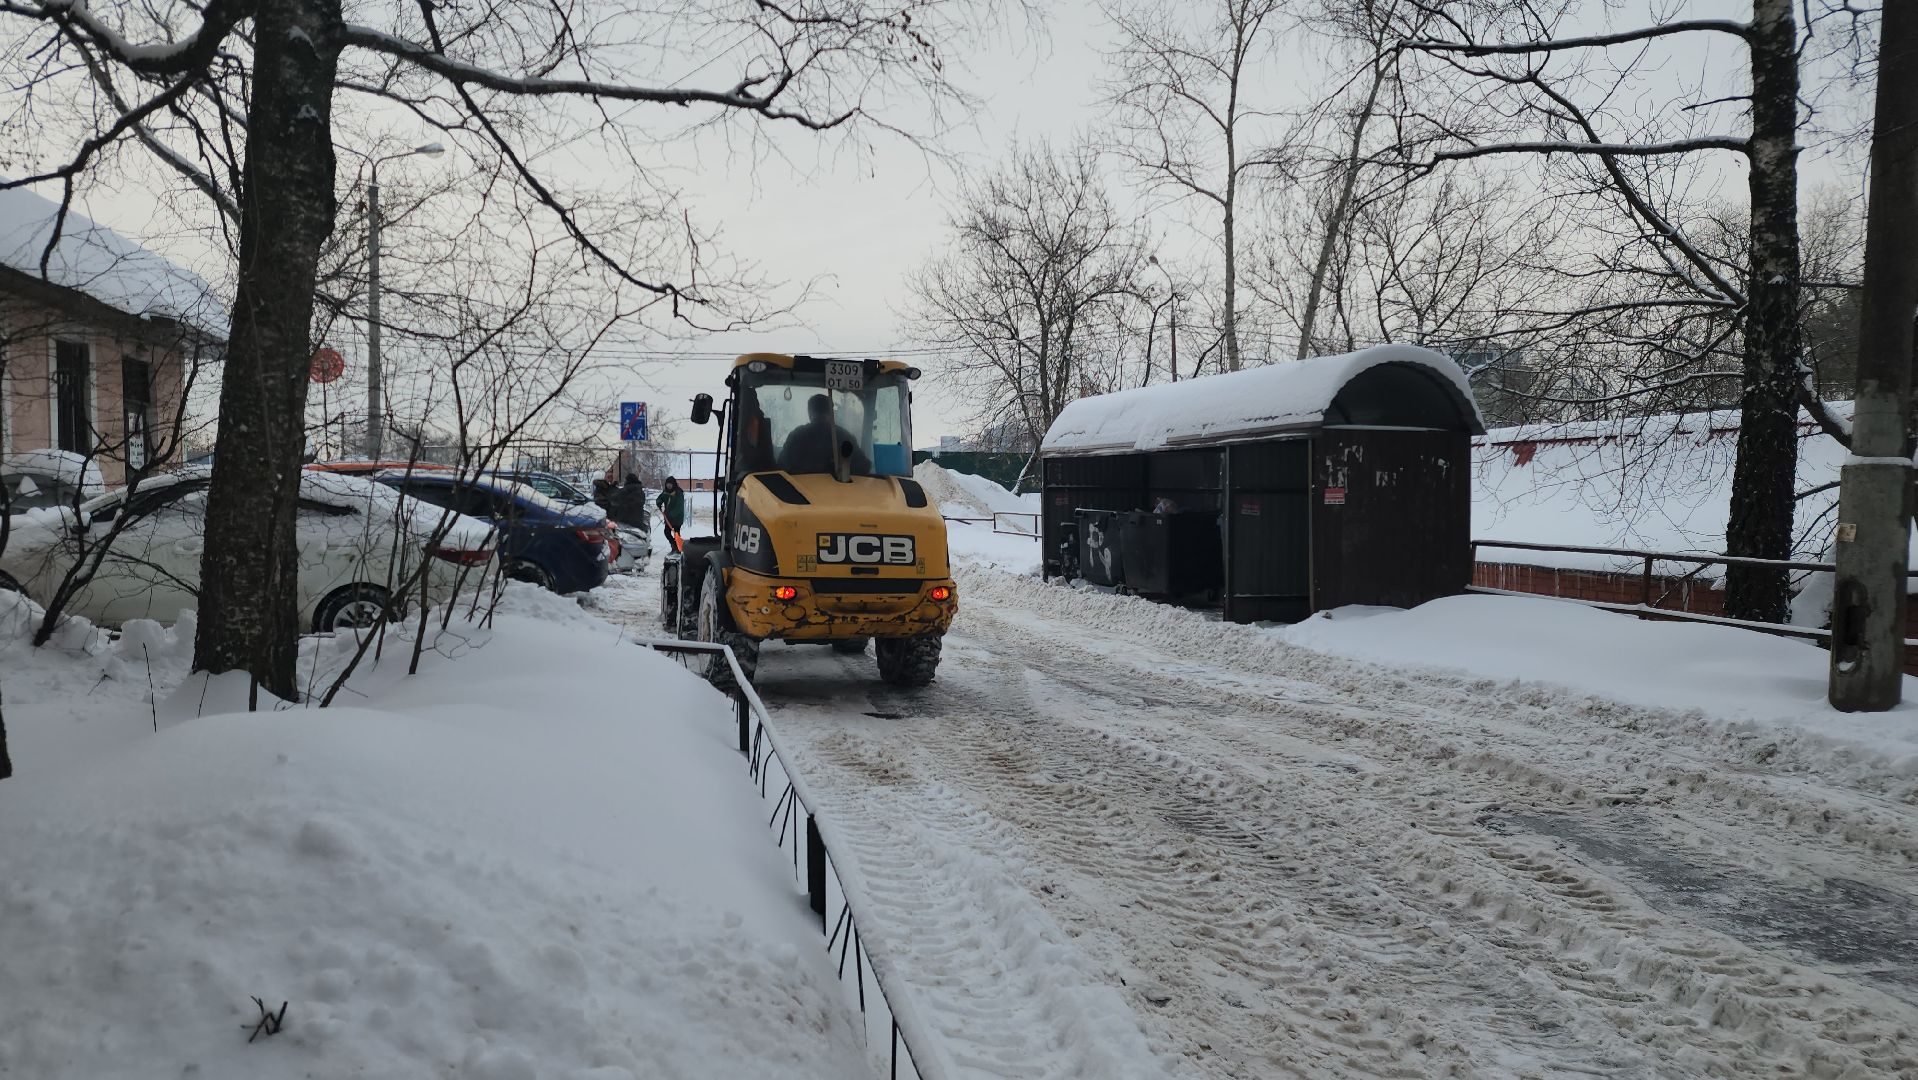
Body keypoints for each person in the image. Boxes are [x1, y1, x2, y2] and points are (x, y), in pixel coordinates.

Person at [778, 393, 868, 475]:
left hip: (800, 487)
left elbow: (782, 465)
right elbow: (863, 466)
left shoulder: (797, 435)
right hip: (837, 487)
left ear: (810, 412)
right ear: (831, 412)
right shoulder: (845, 436)